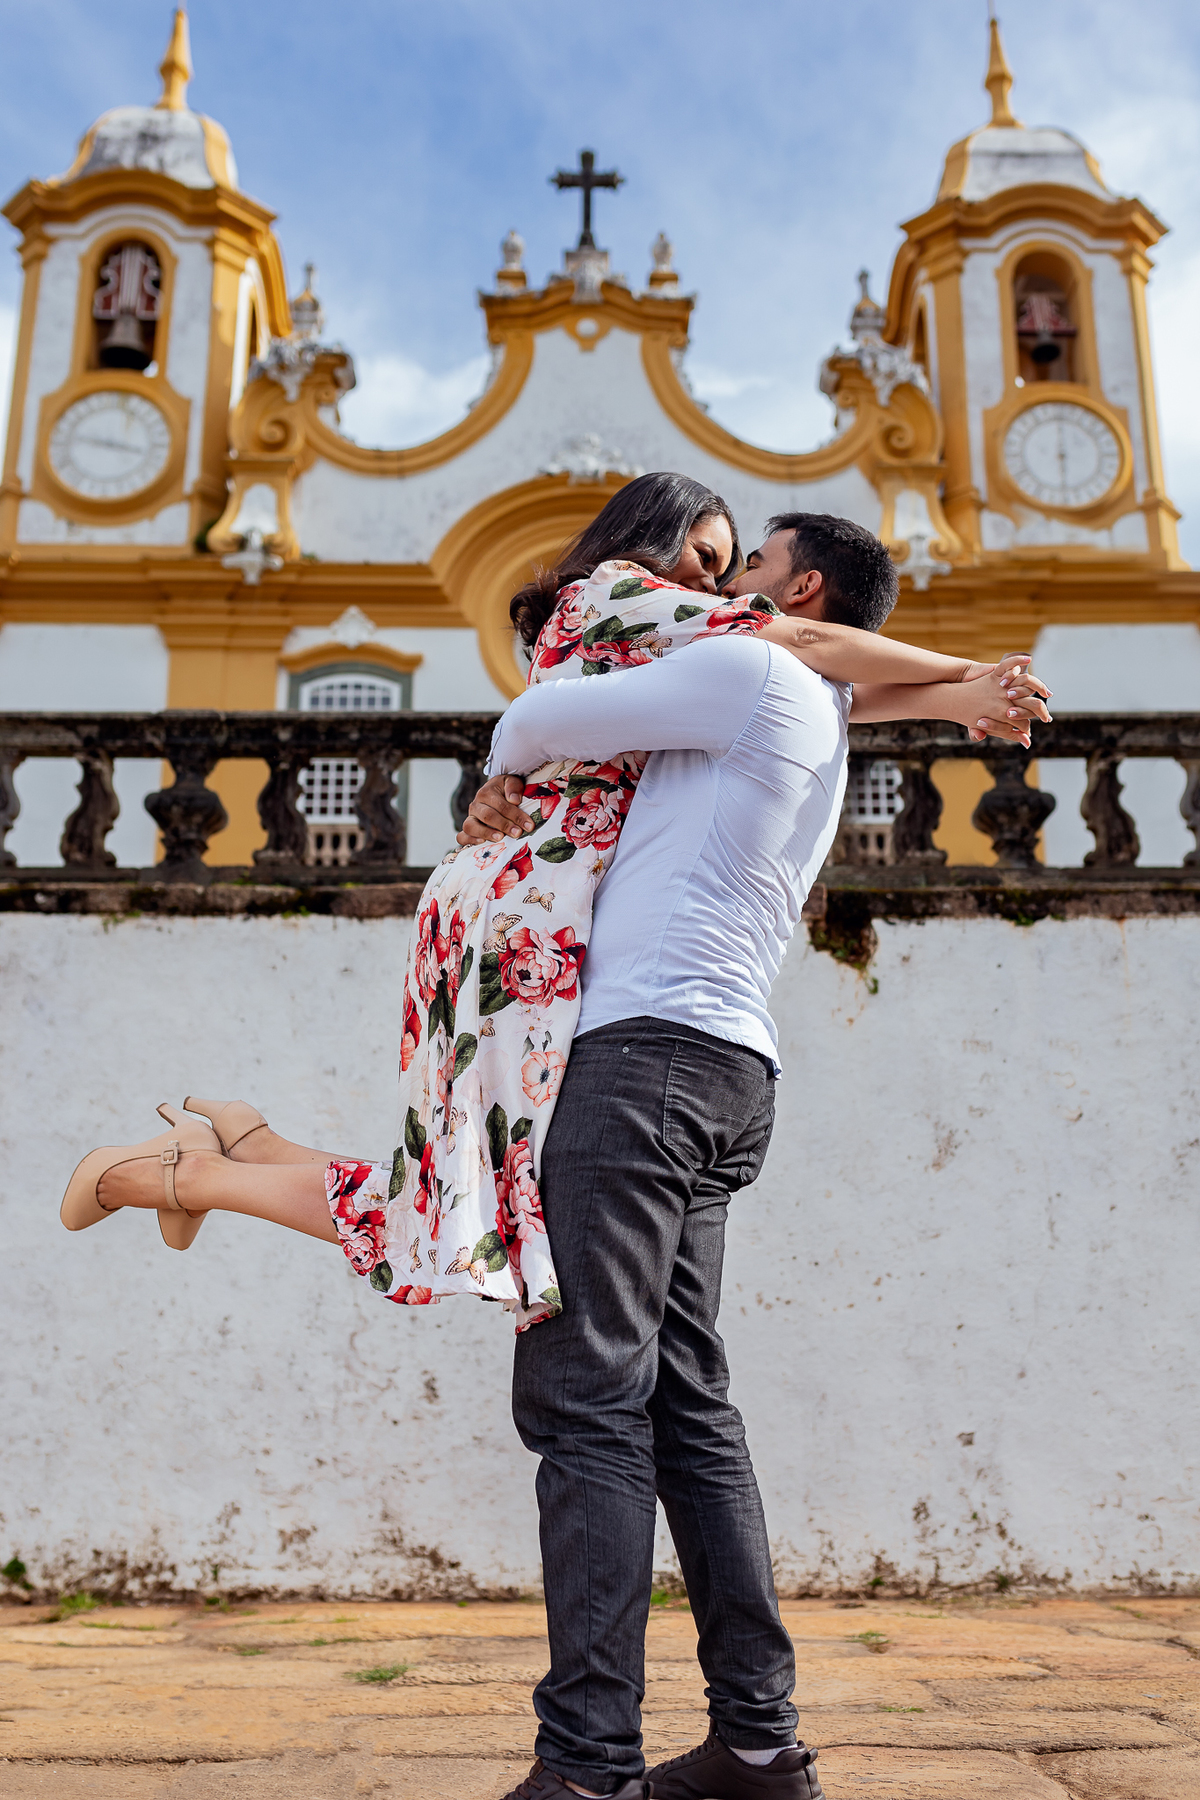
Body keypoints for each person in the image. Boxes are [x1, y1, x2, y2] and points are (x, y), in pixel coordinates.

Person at [58, 483, 1048, 1800]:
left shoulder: (752, 673)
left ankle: (587, 1768)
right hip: (727, 1071)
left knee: (587, 1408)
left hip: (637, 1067)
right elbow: (834, 678)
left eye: (746, 567)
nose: (719, 586)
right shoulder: (794, 701)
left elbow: (531, 721)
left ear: (796, 592)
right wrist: (960, 687)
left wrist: (956, 680)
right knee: (689, 1409)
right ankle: (759, 1745)